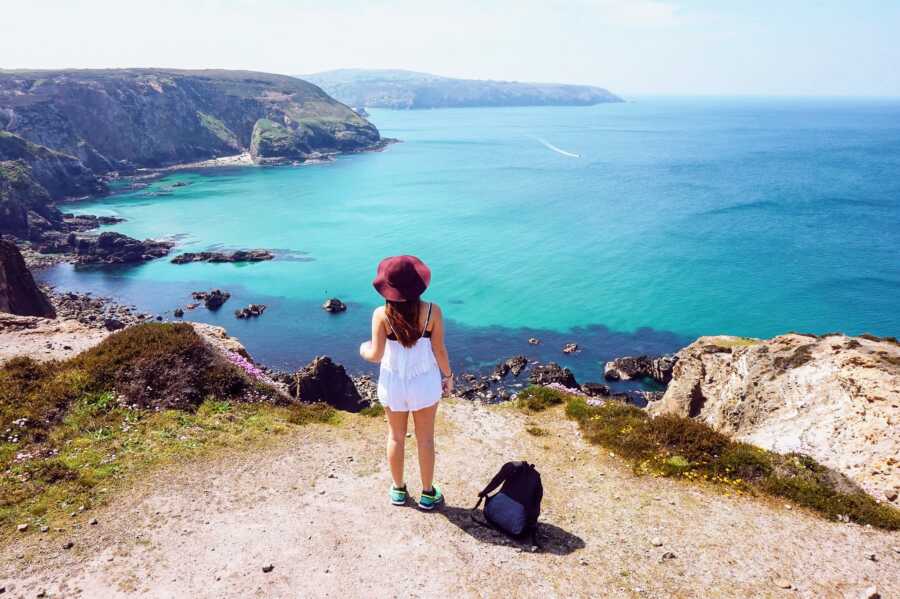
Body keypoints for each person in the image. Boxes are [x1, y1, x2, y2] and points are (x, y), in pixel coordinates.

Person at [359, 255, 453, 509]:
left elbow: (376, 355)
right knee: (425, 439)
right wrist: (448, 376)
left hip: (393, 384)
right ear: (418, 284)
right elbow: (439, 351)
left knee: (396, 437)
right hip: (424, 383)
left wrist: (363, 349)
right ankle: (427, 493)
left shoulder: (381, 314)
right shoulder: (432, 311)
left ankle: (399, 490)